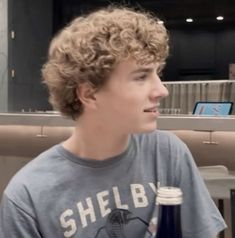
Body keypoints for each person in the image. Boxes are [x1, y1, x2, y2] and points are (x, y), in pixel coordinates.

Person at [0, 5, 226, 238]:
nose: (161, 90)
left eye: (158, 73)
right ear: (89, 94)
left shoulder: (168, 154)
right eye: (141, 77)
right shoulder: (28, 197)